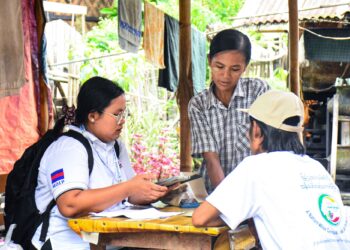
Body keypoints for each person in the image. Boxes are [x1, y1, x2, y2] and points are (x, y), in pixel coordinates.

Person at [192, 90, 350, 249]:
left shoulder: (256, 167)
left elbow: (200, 218)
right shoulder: (316, 167)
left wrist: (243, 214)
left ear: (256, 130)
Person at [31, 76, 168, 249]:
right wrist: (129, 187)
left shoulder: (115, 146)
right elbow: (69, 204)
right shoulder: (69, 148)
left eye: (124, 113)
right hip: (68, 244)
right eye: (117, 114)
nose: (123, 120)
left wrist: (153, 191)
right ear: (93, 116)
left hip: (107, 242)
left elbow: (127, 195)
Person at [188, 29, 270, 192]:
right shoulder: (199, 105)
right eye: (219, 66)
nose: (225, 76)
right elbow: (211, 160)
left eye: (235, 69)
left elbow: (264, 150)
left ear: (245, 67)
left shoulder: (257, 91)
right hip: (216, 194)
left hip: (254, 191)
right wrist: (226, 202)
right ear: (210, 61)